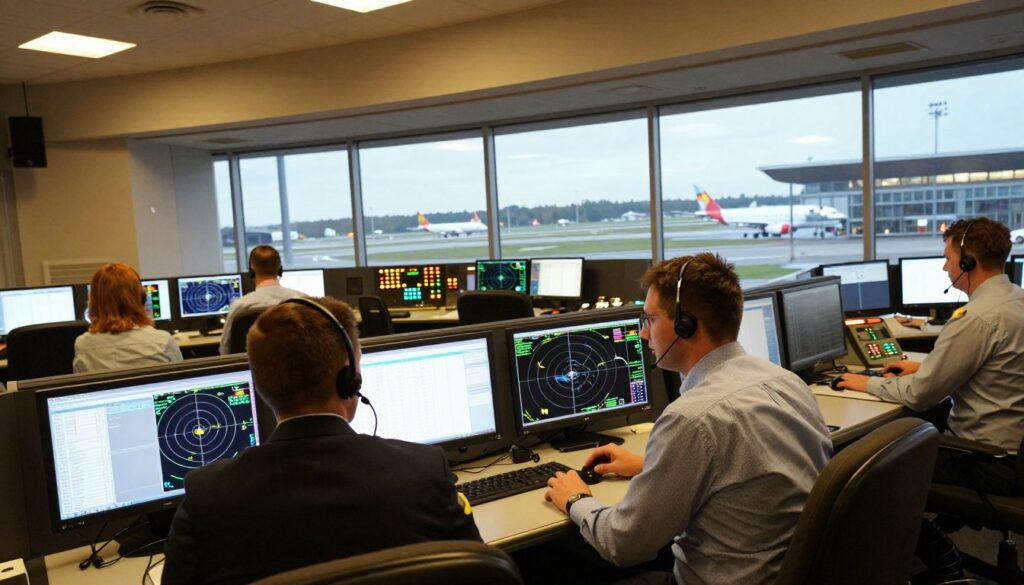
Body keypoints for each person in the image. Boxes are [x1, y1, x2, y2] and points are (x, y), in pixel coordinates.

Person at [545, 253, 832, 585]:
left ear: (685, 325)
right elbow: (752, 469)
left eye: (649, 319)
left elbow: (622, 544)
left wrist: (576, 499)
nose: (642, 334)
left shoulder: (692, 418)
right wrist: (648, 465)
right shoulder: (785, 382)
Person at [162, 297, 480, 585]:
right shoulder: (423, 470)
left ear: (259, 384)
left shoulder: (207, 498)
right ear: (349, 379)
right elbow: (480, 570)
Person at [836, 217, 1024, 496]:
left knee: (866, 471)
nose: (944, 267)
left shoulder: (976, 319)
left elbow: (919, 395)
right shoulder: (1015, 300)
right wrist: (923, 366)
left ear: (967, 263)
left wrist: (867, 383)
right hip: (1011, 453)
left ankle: (930, 541)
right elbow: (995, 366)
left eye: (948, 258)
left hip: (987, 461)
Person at [73, 263, 182, 373]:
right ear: (141, 298)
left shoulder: (83, 346)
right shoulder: (162, 341)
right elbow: (182, 382)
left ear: (93, 302)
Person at [218, 245, 304, 355]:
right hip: (295, 369)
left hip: (251, 370)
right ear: (280, 269)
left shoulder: (239, 306)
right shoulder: (302, 301)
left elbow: (225, 350)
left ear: (251, 271)